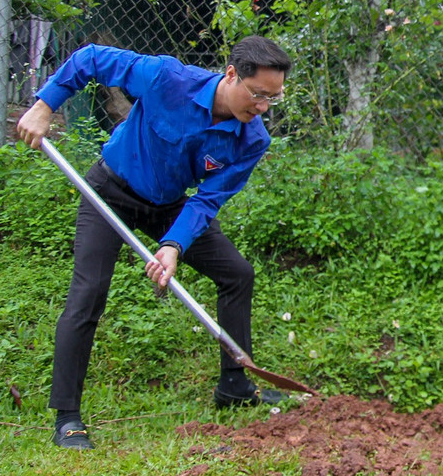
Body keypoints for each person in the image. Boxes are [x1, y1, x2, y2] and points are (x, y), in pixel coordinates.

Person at [16, 37, 293, 450]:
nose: (263, 108)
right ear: (232, 74)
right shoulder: (167, 78)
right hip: (110, 190)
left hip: (168, 206)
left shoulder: (252, 140)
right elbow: (91, 58)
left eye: (274, 98)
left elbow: (208, 200)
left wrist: (174, 245)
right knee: (89, 291)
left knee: (237, 274)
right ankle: (67, 417)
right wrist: (44, 105)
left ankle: (234, 386)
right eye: (258, 95)